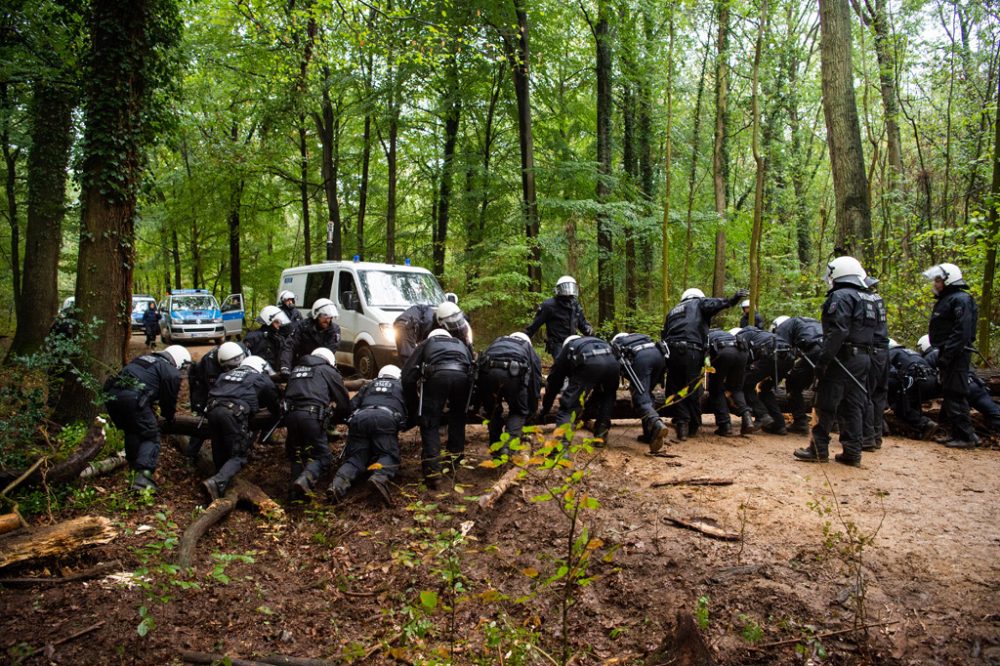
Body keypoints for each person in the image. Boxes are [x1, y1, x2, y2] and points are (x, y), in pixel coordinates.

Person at [794, 256, 878, 467]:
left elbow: (837, 331)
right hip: (864, 358)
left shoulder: (840, 296)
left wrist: (823, 361)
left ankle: (818, 449)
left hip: (842, 358)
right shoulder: (867, 297)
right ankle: (852, 452)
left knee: (826, 403)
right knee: (853, 405)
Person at [661, 287, 748, 441]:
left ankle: (682, 426)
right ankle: (693, 426)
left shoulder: (673, 311)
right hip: (692, 350)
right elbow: (716, 304)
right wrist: (732, 300)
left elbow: (664, 334)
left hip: (672, 351)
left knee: (675, 388)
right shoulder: (699, 303)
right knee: (693, 387)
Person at [105, 345, 190, 491]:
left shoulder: (143, 359)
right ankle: (143, 477)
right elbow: (168, 400)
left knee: (132, 430)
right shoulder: (170, 371)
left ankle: (133, 467)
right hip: (133, 398)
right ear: (178, 361)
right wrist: (169, 418)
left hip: (112, 397)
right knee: (151, 436)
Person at [401, 328, 474, 487]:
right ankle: (454, 463)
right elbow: (473, 367)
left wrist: (413, 406)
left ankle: (433, 473)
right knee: (457, 418)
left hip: (437, 376)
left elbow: (407, 376)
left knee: (429, 421)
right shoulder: (461, 344)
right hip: (463, 378)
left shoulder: (427, 343)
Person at [327, 364, 409, 506]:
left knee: (355, 458)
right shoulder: (401, 387)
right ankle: (379, 477)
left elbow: (351, 405)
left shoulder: (369, 386)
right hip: (385, 418)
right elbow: (410, 409)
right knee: (389, 455)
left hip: (360, 418)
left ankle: (337, 485)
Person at [203, 356, 280, 499]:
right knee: (239, 456)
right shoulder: (259, 378)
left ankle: (219, 484)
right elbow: (273, 399)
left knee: (219, 447)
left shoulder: (225, 375)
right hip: (232, 414)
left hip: (212, 411)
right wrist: (277, 413)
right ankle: (217, 482)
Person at [922, 263, 980, 448]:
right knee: (950, 393)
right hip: (949, 352)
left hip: (956, 354)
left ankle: (966, 436)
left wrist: (948, 355)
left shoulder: (960, 299)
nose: (936, 284)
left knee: (955, 394)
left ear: (949, 280)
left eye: (939, 280)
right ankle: (959, 433)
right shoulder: (950, 299)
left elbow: (961, 332)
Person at [284, 347, 350, 498]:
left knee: (297, 453)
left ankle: (295, 495)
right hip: (312, 416)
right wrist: (333, 419)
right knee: (323, 456)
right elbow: (344, 403)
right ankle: (305, 480)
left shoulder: (296, 370)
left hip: (290, 416)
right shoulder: (327, 370)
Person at [539, 335, 620, 444]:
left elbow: (554, 383)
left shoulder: (569, 348)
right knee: (607, 397)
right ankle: (601, 436)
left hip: (589, 364)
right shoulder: (599, 341)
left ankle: (561, 447)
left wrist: (546, 409)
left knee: (568, 408)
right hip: (613, 365)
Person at [475, 332, 542, 460]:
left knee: (493, 411)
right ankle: (507, 448)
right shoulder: (528, 347)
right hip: (513, 375)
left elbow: (480, 365)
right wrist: (530, 411)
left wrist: (477, 403)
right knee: (518, 411)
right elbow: (535, 382)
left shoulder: (497, 341)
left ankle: (495, 448)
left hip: (488, 373)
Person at [186, 341, 248, 461]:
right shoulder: (210, 366)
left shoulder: (240, 350)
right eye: (229, 367)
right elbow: (217, 391)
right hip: (203, 389)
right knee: (202, 422)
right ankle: (190, 454)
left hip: (223, 385)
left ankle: (238, 451)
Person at [611, 332, 668, 451]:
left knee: (640, 399)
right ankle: (648, 434)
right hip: (659, 356)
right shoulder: (640, 338)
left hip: (642, 359)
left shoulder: (617, 345)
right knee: (646, 394)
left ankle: (656, 423)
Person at [734, 325, 795, 435]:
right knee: (765, 389)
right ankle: (779, 425)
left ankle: (762, 415)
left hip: (770, 355)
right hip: (788, 357)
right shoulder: (760, 334)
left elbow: (743, 362)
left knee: (745, 385)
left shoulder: (741, 336)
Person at [772, 315, 824, 434]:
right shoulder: (810, 321)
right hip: (829, 351)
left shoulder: (785, 325)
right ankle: (834, 423)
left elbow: (783, 351)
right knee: (829, 386)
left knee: (793, 382)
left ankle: (800, 422)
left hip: (814, 351)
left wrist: (780, 374)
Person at [524, 275, 595, 359]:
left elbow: (582, 323)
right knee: (561, 367)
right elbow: (535, 325)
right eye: (565, 287)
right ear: (558, 289)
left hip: (573, 342)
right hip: (557, 344)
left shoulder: (575, 304)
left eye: (570, 286)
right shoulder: (548, 305)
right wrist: (522, 338)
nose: (568, 290)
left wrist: (589, 330)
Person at [706, 328, 755, 436]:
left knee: (716, 389)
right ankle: (747, 418)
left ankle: (725, 426)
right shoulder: (727, 334)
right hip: (742, 353)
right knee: (736, 388)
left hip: (725, 352)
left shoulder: (706, 336)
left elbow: (705, 359)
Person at [887, 340, 939, 439]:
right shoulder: (910, 352)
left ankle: (925, 424)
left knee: (900, 407)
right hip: (931, 381)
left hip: (914, 379)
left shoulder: (891, 353)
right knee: (912, 404)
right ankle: (919, 431)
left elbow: (889, 373)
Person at [279, 298, 341, 378]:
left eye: (330, 317)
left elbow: (330, 351)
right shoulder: (302, 326)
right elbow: (290, 346)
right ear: (316, 314)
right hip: (302, 365)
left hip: (323, 365)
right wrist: (285, 366)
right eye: (324, 316)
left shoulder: (334, 330)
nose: (327, 320)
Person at [862, 277, 890, 451]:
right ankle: (876, 436)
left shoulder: (863, 301)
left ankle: (868, 438)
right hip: (884, 350)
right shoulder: (876, 299)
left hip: (872, 350)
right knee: (878, 395)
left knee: (864, 394)